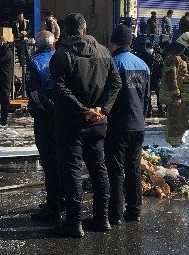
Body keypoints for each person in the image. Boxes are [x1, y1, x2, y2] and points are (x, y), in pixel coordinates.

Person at [49, 12, 121, 237]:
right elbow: (115, 83)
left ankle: (74, 222)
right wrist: (101, 108)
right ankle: (102, 218)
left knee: (72, 171)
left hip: (71, 122)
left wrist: (85, 110)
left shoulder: (61, 55)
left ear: (65, 31)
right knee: (98, 168)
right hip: (97, 121)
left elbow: (60, 89)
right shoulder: (104, 52)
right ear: (85, 29)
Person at [107, 25, 149, 224]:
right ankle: (134, 211)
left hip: (119, 124)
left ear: (114, 42)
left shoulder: (113, 63)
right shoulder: (143, 65)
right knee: (133, 169)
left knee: (115, 170)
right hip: (138, 123)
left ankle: (115, 214)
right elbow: (146, 98)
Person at [24, 30, 62, 222]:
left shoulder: (35, 62)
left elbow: (34, 93)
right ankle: (62, 199)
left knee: (49, 161)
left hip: (46, 118)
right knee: (64, 160)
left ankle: (54, 204)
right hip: (65, 115)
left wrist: (50, 110)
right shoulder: (62, 57)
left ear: (37, 45)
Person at [161, 33, 189, 145]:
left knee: (182, 122)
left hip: (183, 98)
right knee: (175, 123)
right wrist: (176, 96)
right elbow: (171, 78)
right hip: (177, 99)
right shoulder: (174, 58)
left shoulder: (181, 58)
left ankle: (179, 144)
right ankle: (173, 145)